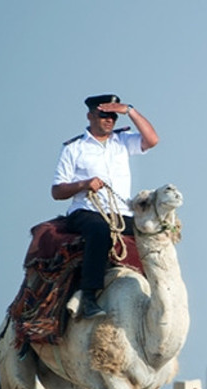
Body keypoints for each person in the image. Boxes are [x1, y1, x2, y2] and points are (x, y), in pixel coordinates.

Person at [52, 94, 159, 318]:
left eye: (113, 116)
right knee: (100, 231)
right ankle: (88, 296)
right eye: (104, 115)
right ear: (90, 116)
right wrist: (83, 184)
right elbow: (57, 191)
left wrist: (129, 110)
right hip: (87, 210)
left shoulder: (122, 141)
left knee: (152, 233)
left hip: (121, 212)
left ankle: (157, 295)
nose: (109, 120)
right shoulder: (74, 148)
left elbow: (152, 140)